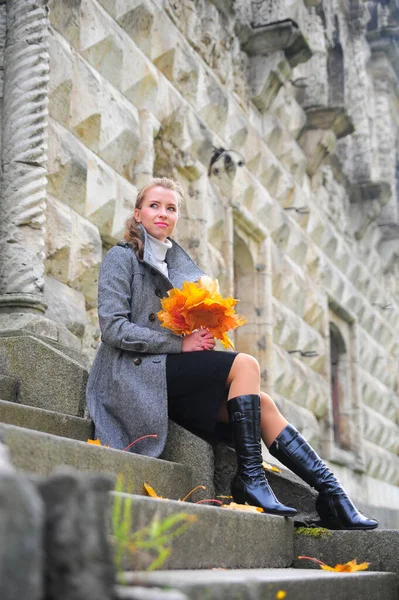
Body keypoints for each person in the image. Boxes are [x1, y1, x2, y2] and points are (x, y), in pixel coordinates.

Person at [86, 177, 378, 530]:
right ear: (138, 213)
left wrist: (201, 329)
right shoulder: (121, 258)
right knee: (245, 364)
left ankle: (333, 495)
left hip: (168, 373)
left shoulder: (179, 263)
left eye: (171, 208)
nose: (163, 213)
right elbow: (114, 329)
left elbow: (179, 324)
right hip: (131, 375)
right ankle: (251, 480)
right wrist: (181, 344)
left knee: (263, 402)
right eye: (154, 206)